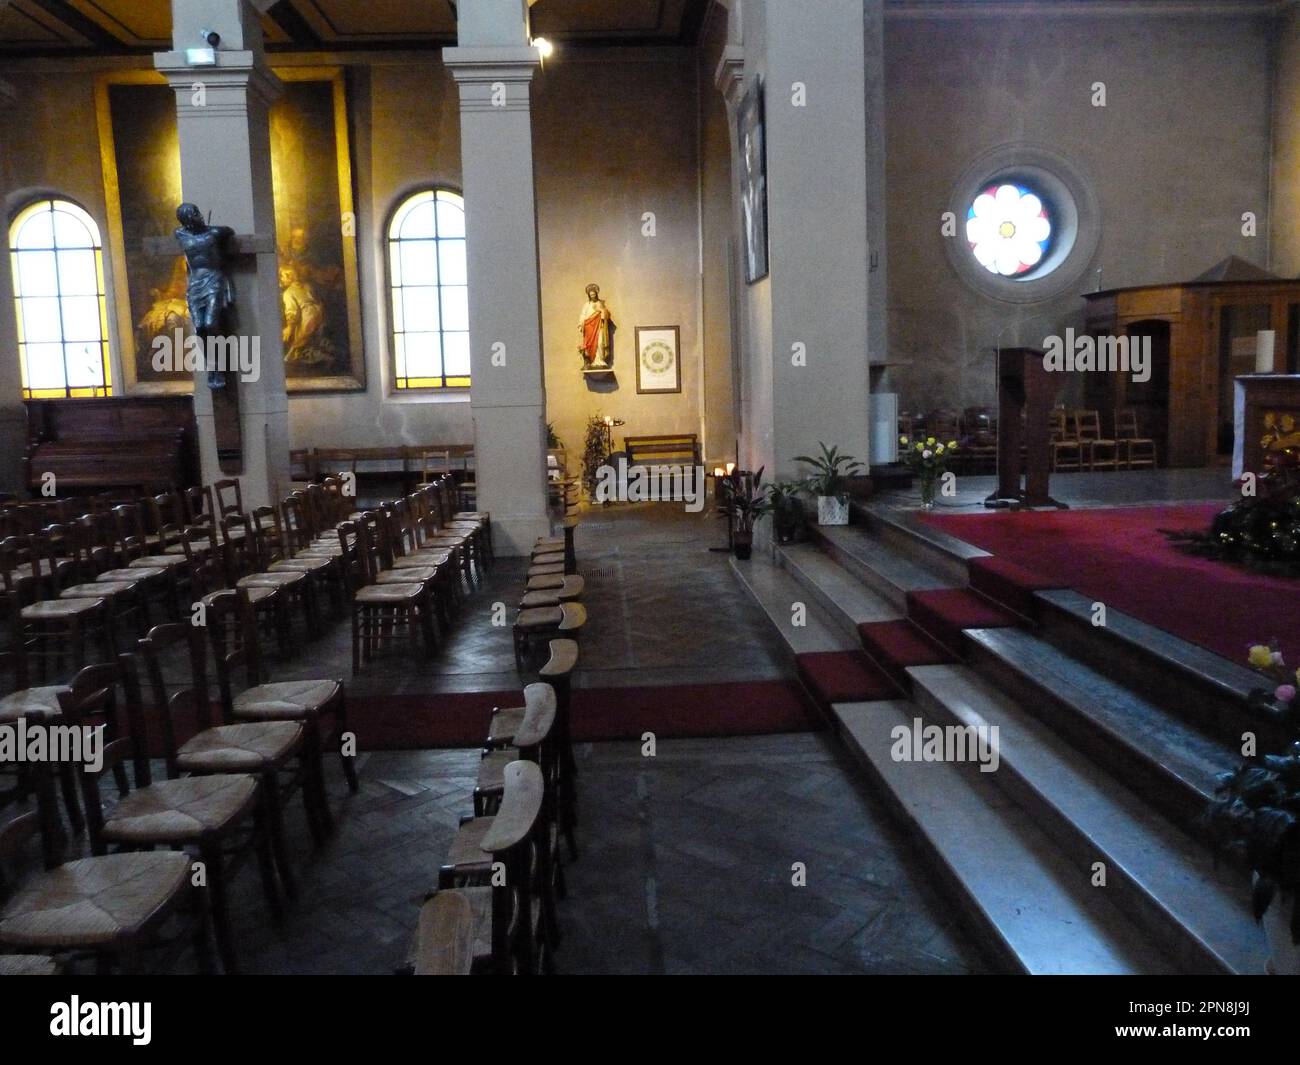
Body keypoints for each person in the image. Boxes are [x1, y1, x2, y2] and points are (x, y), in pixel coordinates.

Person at [174, 202, 236, 388]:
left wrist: (209, 228)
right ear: (186, 219)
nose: (198, 215)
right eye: (193, 213)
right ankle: (213, 366)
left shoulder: (214, 233)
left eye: (198, 212)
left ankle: (219, 366)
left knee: (210, 323)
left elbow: (229, 231)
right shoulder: (180, 234)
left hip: (214, 280)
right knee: (200, 327)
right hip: (195, 284)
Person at [578, 283, 614, 370]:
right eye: (591, 294)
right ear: (589, 295)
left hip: (598, 327)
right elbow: (583, 315)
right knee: (589, 345)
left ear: (596, 294)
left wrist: (601, 310)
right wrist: (581, 324)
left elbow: (606, 315)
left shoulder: (600, 303)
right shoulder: (587, 305)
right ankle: (590, 361)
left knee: (600, 342)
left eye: (594, 294)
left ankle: (600, 360)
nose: (593, 295)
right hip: (588, 328)